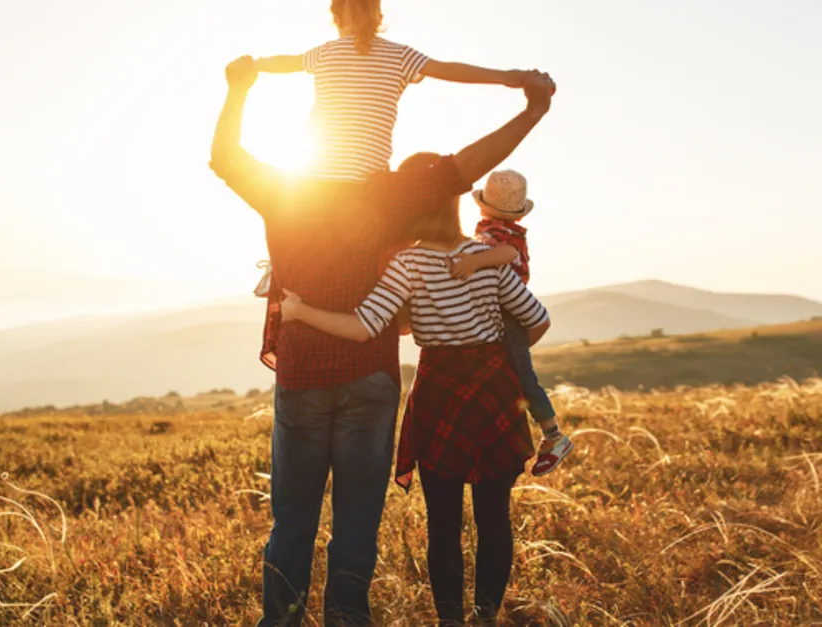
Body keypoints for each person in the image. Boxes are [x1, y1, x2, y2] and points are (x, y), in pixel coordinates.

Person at [209, 56, 555, 626]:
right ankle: (348, 618)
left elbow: (224, 157)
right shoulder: (390, 197)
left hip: (302, 376)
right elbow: (467, 167)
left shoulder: (283, 190)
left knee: (292, 519)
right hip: (371, 378)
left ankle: (282, 621)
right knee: (357, 519)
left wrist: (238, 90)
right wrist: (531, 110)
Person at [279, 166, 551, 624]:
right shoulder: (489, 257)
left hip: (440, 392)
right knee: (494, 516)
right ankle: (484, 615)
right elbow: (537, 318)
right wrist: (499, 352)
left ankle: (450, 620)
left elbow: (364, 327)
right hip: (494, 391)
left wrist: (301, 311)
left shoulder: (408, 263)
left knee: (443, 522)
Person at [255, 0, 532, 181]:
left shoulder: (324, 53)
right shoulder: (400, 55)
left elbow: (285, 63)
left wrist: (254, 65)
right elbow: (450, 70)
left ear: (336, 19)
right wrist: (509, 77)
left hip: (314, 179)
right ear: (379, 18)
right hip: (368, 181)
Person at [449, 169, 574, 475]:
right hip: (500, 310)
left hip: (508, 311)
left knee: (522, 375)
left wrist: (474, 262)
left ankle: (553, 435)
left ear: (482, 205)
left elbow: (505, 254)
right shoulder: (496, 228)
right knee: (508, 373)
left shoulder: (501, 235)